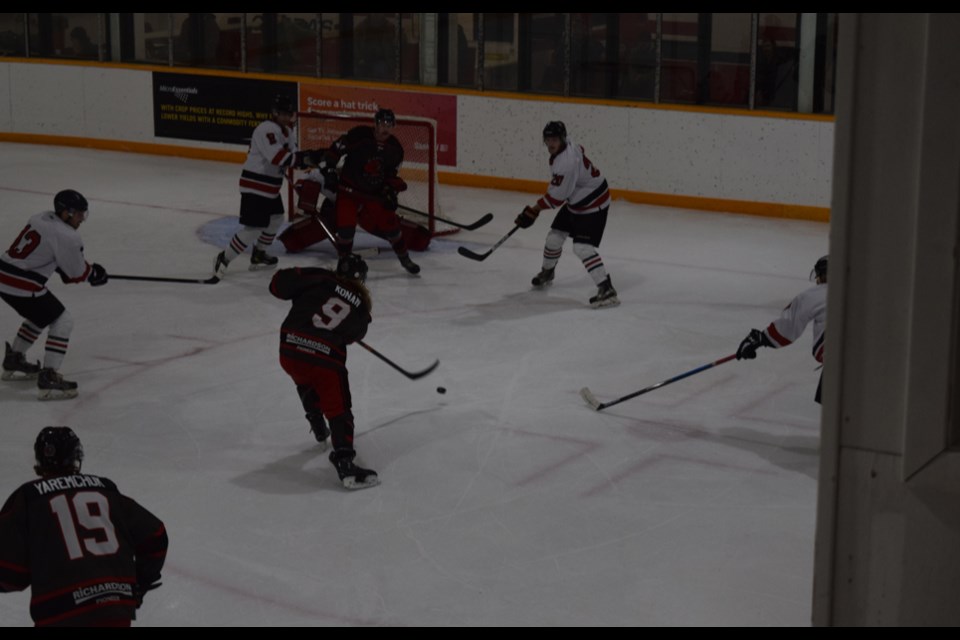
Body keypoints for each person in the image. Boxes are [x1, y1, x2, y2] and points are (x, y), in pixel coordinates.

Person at [0, 427, 168, 627]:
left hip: (60, 613)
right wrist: (139, 582)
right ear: (76, 456)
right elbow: (156, 536)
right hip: (114, 609)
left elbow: (9, 574)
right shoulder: (106, 489)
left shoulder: (28, 498)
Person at [269, 255, 380, 490]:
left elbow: (277, 285)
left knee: (306, 378)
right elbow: (355, 335)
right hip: (325, 361)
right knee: (339, 409)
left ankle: (316, 422)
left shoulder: (319, 277)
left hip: (289, 350)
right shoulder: (361, 307)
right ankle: (345, 462)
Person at [0, 190, 108, 400]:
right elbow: (76, 272)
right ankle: (49, 375)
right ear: (66, 213)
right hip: (21, 284)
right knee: (62, 321)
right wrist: (94, 273)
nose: (81, 220)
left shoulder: (41, 217)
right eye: (79, 215)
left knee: (40, 314)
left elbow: (46, 255)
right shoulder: (68, 235)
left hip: (3, 275)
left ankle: (14, 358)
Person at [515, 121, 619, 308]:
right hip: (576, 200)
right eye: (548, 140)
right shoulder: (567, 145)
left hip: (593, 203)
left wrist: (534, 210)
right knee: (553, 239)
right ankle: (547, 272)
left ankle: (607, 288)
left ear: (562, 139)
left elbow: (556, 199)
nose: (551, 144)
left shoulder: (566, 163)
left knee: (582, 248)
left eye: (554, 139)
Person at [214, 94, 307, 279]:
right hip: (255, 186)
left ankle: (259, 255)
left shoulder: (287, 132)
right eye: (283, 113)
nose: (286, 117)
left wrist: (304, 158)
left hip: (270, 188)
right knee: (254, 228)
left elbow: (294, 155)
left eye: (288, 113)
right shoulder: (266, 129)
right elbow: (278, 157)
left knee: (276, 219)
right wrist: (303, 159)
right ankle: (223, 258)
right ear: (274, 113)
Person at [320, 108, 420, 275]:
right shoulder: (359, 135)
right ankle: (344, 264)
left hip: (373, 194)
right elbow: (336, 149)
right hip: (349, 191)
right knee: (346, 230)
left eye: (389, 124)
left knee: (392, 227)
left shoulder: (395, 149)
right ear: (375, 124)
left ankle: (405, 259)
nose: (385, 128)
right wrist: (329, 169)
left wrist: (390, 192)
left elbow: (390, 175)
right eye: (382, 124)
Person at [736, 255, 828, 403]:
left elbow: (787, 329)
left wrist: (760, 339)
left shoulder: (817, 294)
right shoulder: (866, 292)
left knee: (838, 420)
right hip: (872, 361)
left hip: (841, 363)